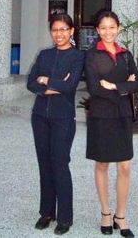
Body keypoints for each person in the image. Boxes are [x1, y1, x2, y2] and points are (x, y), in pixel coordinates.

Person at [85, 10, 138, 238]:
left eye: (112, 27)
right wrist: (122, 86)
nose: (108, 31)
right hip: (101, 115)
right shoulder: (91, 56)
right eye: (103, 27)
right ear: (97, 30)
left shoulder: (126, 55)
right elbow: (93, 88)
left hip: (123, 115)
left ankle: (120, 215)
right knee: (102, 164)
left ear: (118, 28)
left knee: (125, 165)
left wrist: (115, 86)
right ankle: (106, 213)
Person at [27, 14, 84, 235]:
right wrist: (48, 86)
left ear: (71, 31)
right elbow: (31, 82)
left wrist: (46, 80)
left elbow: (70, 86)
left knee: (59, 163)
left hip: (63, 118)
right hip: (40, 115)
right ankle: (46, 212)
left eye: (63, 29)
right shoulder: (44, 55)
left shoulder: (77, 57)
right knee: (44, 164)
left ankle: (65, 218)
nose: (59, 34)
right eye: (55, 30)